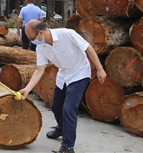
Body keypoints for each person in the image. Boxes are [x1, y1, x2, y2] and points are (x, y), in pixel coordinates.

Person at [19, 21, 106, 153]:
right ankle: (61, 129)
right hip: (63, 74)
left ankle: (68, 146)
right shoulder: (41, 47)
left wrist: (100, 69)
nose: (32, 41)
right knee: (56, 106)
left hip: (80, 73)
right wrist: (27, 89)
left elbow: (88, 48)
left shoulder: (67, 34)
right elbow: (39, 70)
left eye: (32, 38)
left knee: (69, 108)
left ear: (41, 32)